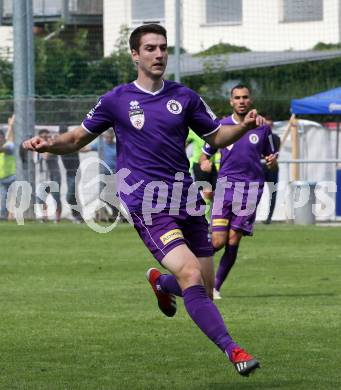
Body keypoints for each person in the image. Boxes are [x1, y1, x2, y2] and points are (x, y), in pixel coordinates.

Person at [23, 24, 266, 377]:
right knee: (190, 273)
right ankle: (235, 350)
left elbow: (216, 136)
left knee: (203, 289)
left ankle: (159, 282)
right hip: (147, 202)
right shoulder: (117, 100)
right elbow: (76, 137)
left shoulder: (185, 97)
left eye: (163, 48)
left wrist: (243, 127)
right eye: (150, 48)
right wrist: (50, 143)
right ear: (135, 54)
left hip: (185, 199)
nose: (158, 54)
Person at [200, 84, 278, 300]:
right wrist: (205, 162)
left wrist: (272, 162)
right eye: (237, 97)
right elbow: (205, 154)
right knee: (217, 241)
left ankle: (215, 288)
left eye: (245, 97)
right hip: (225, 188)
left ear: (250, 100)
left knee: (233, 240)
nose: (242, 101)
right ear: (231, 101)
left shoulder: (262, 128)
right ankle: (189, 268)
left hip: (251, 190)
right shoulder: (221, 126)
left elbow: (272, 160)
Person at [81, 128, 118, 221]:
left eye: (110, 137)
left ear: (113, 137)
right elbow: (85, 149)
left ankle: (114, 214)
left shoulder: (117, 146)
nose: (108, 139)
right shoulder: (100, 145)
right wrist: (75, 145)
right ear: (104, 137)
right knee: (102, 196)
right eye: (107, 137)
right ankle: (107, 214)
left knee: (113, 196)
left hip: (114, 174)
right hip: (103, 174)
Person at [186, 129, 218, 222]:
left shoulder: (213, 131)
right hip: (199, 165)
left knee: (215, 194)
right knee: (207, 192)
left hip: (212, 165)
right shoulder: (193, 131)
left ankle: (211, 218)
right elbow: (182, 140)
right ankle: (207, 221)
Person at [35, 129, 62, 222]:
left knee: (56, 197)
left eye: (46, 137)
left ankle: (57, 218)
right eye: (42, 137)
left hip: (54, 175)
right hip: (43, 176)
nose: (44, 139)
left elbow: (46, 156)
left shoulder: (52, 147)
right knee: (40, 198)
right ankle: (44, 217)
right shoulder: (37, 147)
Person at [59, 125, 83, 223]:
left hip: (76, 173)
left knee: (69, 196)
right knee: (72, 196)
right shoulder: (58, 144)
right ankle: (78, 217)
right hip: (69, 173)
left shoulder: (72, 142)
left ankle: (77, 215)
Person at [261, 119, 281, 224]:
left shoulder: (276, 138)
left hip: (272, 168)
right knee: (254, 192)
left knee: (273, 193)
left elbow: (275, 154)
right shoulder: (259, 137)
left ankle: (269, 218)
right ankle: (249, 217)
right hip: (260, 167)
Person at [0, 115, 16, 220]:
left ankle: (12, 216)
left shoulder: (9, 146)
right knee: (3, 200)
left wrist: (11, 126)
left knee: (13, 199)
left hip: (13, 177)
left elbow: (9, 140)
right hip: (2, 180)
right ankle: (4, 217)